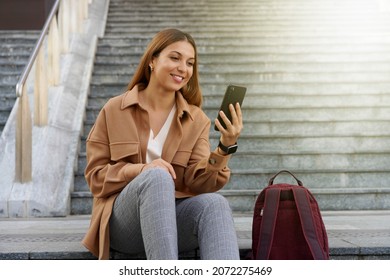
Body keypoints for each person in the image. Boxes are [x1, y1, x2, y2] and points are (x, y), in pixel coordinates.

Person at [82, 28, 243, 260]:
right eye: (174, 58)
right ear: (152, 61)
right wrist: (142, 170)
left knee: (215, 204)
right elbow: (96, 178)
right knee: (157, 175)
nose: (183, 68)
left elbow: (199, 183)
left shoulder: (196, 119)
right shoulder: (115, 109)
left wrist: (226, 146)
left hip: (173, 223)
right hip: (123, 224)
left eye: (190, 63)